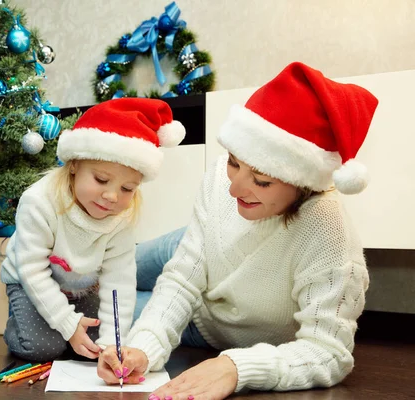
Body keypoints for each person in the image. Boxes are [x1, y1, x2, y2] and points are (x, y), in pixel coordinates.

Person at [97, 61, 379, 399]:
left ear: (304, 185)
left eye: (261, 181)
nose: (233, 189)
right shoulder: (222, 180)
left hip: (209, 319)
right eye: (233, 162)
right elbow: (184, 278)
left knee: (97, 309)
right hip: (199, 247)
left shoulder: (329, 236)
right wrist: (145, 346)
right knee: (97, 266)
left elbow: (329, 353)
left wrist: (235, 366)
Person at [0, 98, 186, 363]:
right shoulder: (38, 201)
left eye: (127, 189)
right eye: (101, 179)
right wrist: (67, 323)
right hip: (30, 281)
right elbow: (31, 270)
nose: (112, 196)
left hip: (83, 286)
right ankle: (18, 324)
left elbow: (118, 282)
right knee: (43, 349)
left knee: (96, 348)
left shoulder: (121, 215)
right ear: (74, 164)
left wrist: (112, 344)